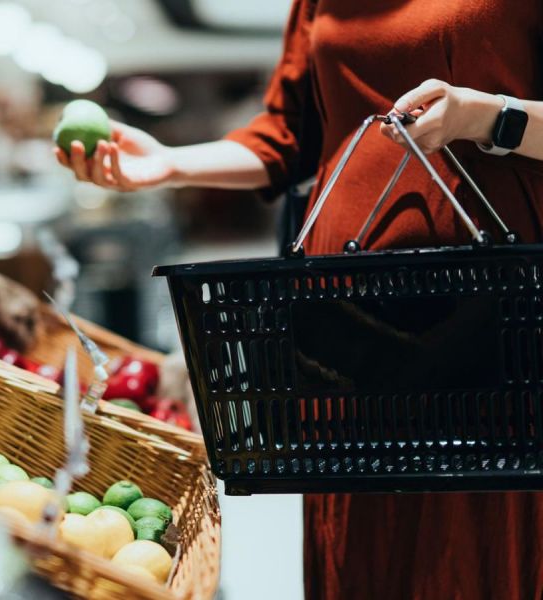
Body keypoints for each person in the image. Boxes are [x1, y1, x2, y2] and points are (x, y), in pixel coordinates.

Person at [54, 1, 543, 598]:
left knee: (486, 526)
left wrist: (490, 117)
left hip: (498, 316)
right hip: (342, 318)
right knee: (363, 537)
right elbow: (287, 136)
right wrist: (167, 165)